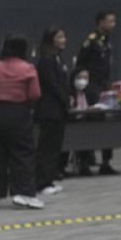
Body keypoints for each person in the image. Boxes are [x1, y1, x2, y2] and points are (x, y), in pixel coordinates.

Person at [0, 34, 42, 209]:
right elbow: (35, 94)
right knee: (23, 153)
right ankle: (24, 193)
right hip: (18, 113)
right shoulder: (28, 69)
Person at [74, 10, 118, 175]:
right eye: (110, 21)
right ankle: (84, 162)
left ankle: (106, 161)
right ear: (100, 22)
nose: (113, 25)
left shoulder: (106, 41)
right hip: (92, 87)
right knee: (90, 123)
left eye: (114, 21)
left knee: (107, 123)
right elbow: (81, 64)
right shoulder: (91, 42)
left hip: (104, 85)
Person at [34, 25, 70, 197]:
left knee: (55, 146)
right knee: (47, 147)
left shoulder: (58, 59)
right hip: (50, 109)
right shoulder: (46, 60)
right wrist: (64, 98)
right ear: (51, 40)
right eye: (60, 37)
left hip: (58, 110)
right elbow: (52, 84)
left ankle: (49, 178)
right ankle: (41, 181)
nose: (64, 40)